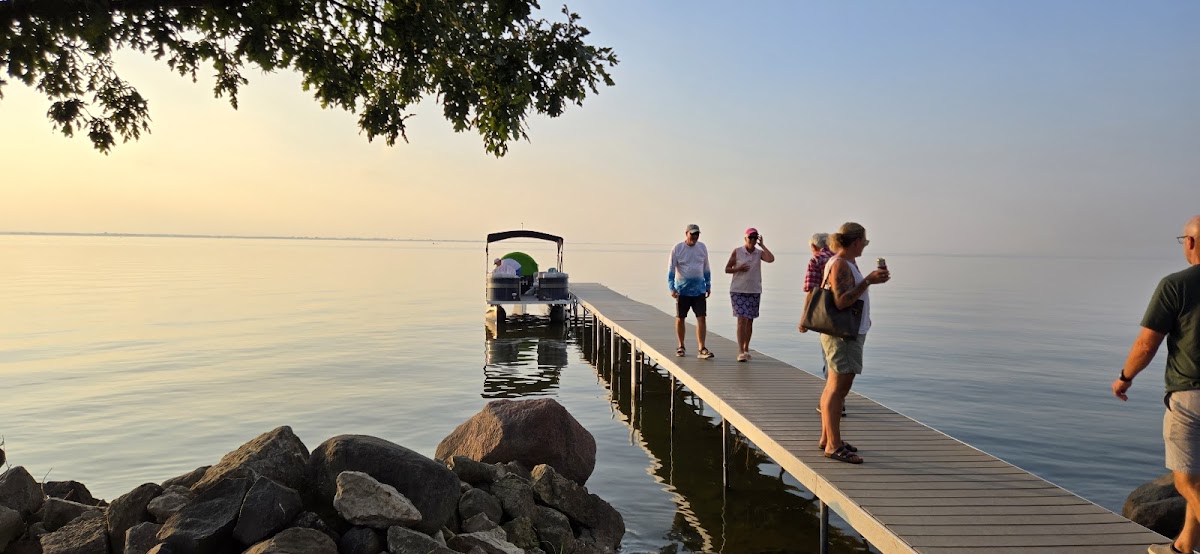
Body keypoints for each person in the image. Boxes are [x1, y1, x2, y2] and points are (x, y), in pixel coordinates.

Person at [1112, 215, 1200, 554]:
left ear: (1190, 242)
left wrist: (1125, 378)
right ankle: (1183, 548)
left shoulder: (1176, 285)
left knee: (1186, 481)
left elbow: (1146, 344)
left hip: (1190, 396)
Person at [813, 222, 889, 464]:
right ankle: (833, 446)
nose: (864, 246)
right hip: (842, 336)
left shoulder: (843, 262)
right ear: (856, 242)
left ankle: (827, 438)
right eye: (864, 242)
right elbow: (842, 301)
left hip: (846, 333)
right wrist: (868, 281)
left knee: (833, 387)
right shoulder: (840, 264)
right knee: (838, 389)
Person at [798, 232, 844, 415]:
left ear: (813, 246)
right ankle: (839, 399)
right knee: (839, 357)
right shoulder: (840, 258)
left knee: (828, 356)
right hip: (844, 314)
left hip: (825, 314)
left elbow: (811, 291)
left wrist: (804, 318)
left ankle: (833, 403)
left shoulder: (815, 260)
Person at [725, 227, 775, 362]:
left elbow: (771, 259)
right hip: (738, 290)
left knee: (749, 320)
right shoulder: (737, 251)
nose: (752, 240)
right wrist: (739, 268)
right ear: (745, 238)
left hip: (754, 290)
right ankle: (740, 351)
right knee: (741, 319)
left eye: (754, 237)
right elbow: (727, 269)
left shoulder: (759, 253)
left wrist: (762, 245)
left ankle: (746, 348)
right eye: (750, 237)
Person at [669, 223, 714, 359]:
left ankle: (702, 348)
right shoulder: (677, 249)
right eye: (692, 234)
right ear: (686, 234)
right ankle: (681, 346)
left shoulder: (702, 247)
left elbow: (706, 267)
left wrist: (708, 284)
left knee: (701, 317)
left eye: (697, 234)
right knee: (680, 318)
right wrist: (671, 287)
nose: (695, 236)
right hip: (682, 290)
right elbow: (671, 269)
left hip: (699, 290)